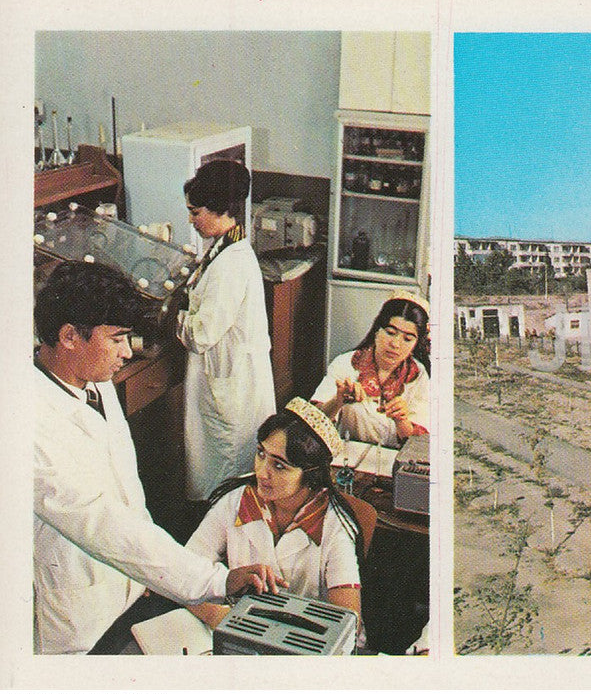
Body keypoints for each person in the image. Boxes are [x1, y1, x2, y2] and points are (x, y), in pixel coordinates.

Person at [33, 262, 282, 654]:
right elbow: (99, 520)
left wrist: (168, 583)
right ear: (69, 337)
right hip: (79, 616)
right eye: (116, 339)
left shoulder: (94, 381)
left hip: (130, 592)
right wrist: (212, 581)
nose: (127, 352)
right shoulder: (27, 424)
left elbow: (127, 494)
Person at [186, 399, 364, 639]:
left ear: (310, 476)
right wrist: (220, 617)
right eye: (261, 454)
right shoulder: (235, 501)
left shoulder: (335, 526)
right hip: (236, 631)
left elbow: (348, 624)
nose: (261, 472)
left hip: (305, 644)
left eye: (279, 466)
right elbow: (184, 573)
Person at [177, 160, 276, 505]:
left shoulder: (231, 262)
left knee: (225, 470)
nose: (191, 219)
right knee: (223, 465)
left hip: (230, 384)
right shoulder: (224, 246)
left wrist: (174, 318)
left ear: (219, 209)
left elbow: (201, 334)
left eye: (195, 211)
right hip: (231, 377)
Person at [316, 291, 432, 447]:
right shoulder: (345, 364)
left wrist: (402, 421)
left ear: (415, 344)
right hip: (347, 457)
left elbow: (418, 445)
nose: (395, 344)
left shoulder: (418, 375)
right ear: (377, 331)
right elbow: (314, 420)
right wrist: (338, 400)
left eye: (407, 339)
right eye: (390, 333)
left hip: (393, 462)